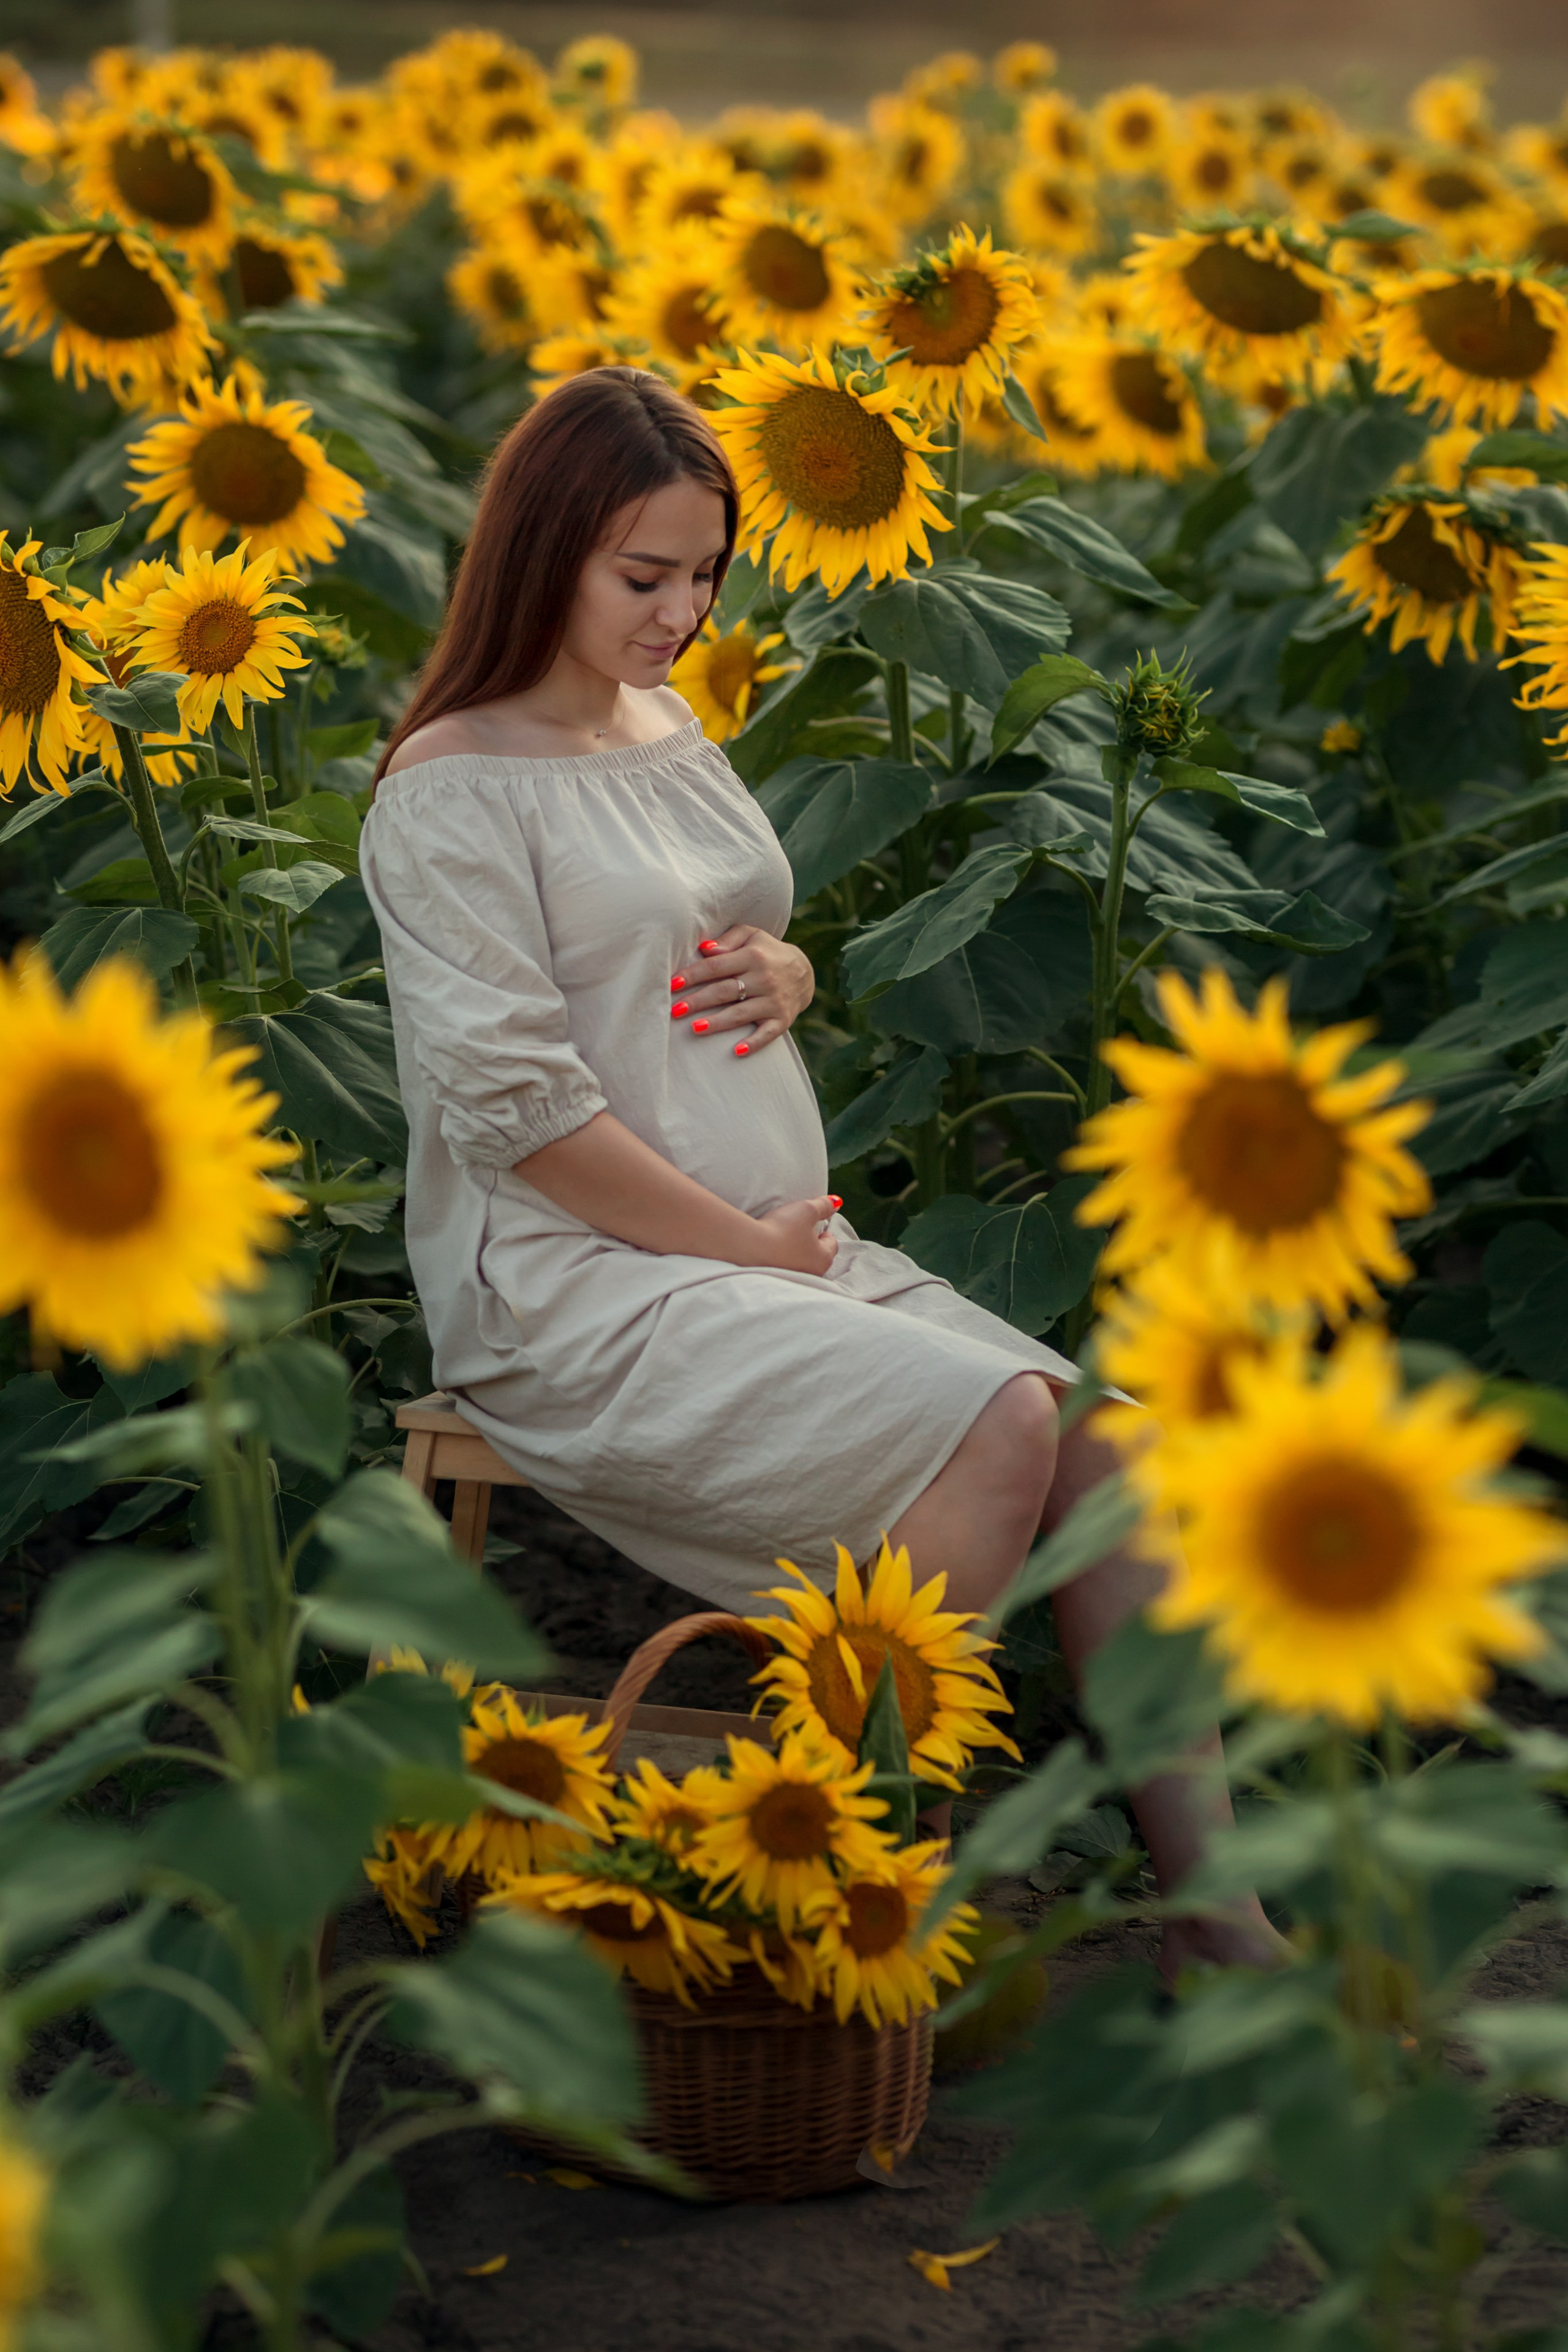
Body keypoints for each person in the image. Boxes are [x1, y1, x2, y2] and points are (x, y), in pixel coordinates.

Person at [361, 366, 1278, 1978]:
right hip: (582, 1290)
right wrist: (743, 1247)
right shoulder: (450, 791)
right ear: (540, 554)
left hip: (767, 1255)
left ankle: (1220, 1910)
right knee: (1000, 1421)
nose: (682, 613)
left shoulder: (662, 720)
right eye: (643, 577)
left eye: (705, 574)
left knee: (1114, 1448)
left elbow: (724, 916)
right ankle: (829, 1874)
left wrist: (786, 975)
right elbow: (516, 1111)